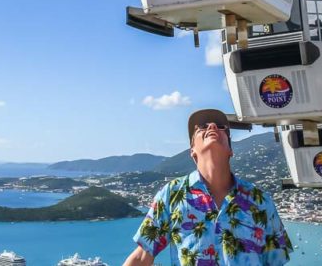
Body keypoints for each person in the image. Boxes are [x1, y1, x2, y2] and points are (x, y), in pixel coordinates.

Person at [123, 109, 292, 266]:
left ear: (230, 150)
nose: (212, 126)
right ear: (192, 151)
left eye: (221, 127)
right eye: (202, 127)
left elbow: (276, 262)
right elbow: (142, 257)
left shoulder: (259, 199)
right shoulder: (172, 194)